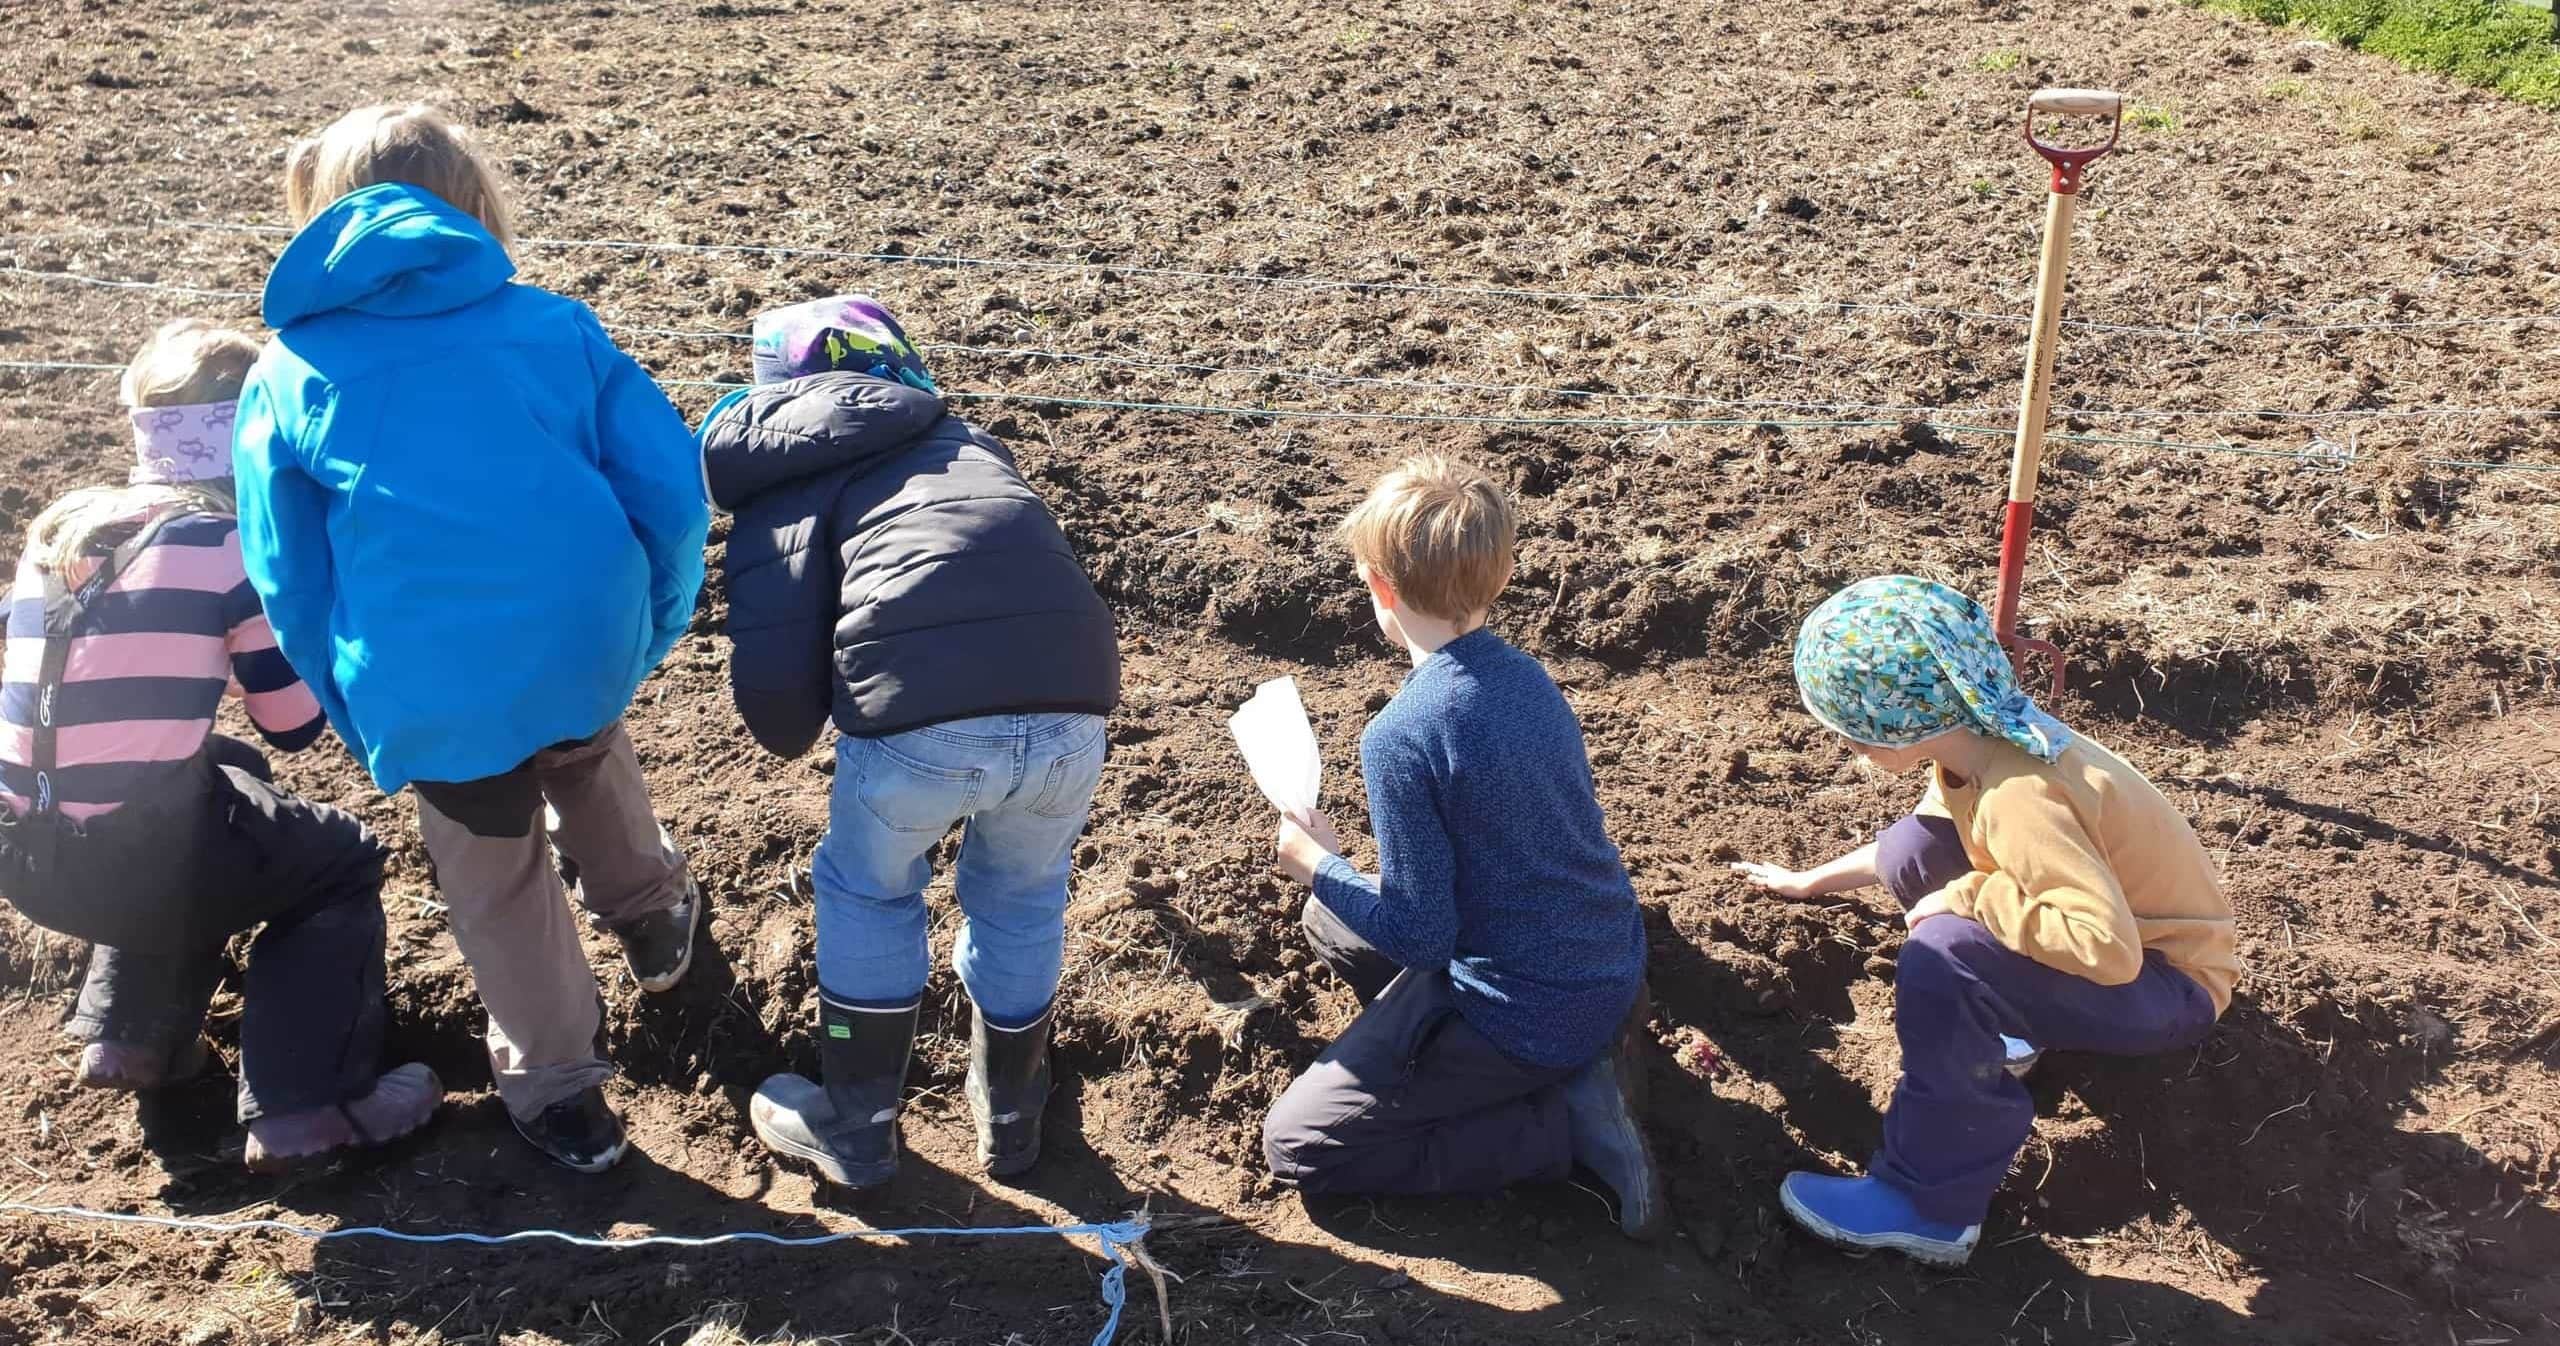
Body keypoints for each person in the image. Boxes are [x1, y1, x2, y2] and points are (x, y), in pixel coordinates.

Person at [230, 104, 712, 1174]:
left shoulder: (288, 372)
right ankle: (651, 911)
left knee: (496, 872)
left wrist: (354, 703)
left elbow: (287, 575)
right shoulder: (552, 324)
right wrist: (650, 618)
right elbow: (673, 492)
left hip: (427, 681)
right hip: (582, 633)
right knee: (585, 742)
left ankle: (560, 1090)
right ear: (473, 201)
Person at [699, 295, 1119, 1188]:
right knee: (1022, 893)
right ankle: (1012, 1118)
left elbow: (774, 674)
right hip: (1074, 705)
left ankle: (857, 1127)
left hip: (918, 725)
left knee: (868, 888)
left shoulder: (790, 479)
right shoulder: (970, 443)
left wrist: (794, 728)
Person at [0, 319, 441, 1170]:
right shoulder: (222, 542)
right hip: (138, 856)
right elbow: (295, 723)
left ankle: (132, 1038)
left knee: (227, 779)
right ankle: (305, 1109)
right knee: (338, 858)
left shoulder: (58, 533)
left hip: (26, 854)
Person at [1732, 574, 2240, 1266]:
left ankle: (1927, 1207)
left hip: (2167, 989)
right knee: (1912, 851)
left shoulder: (2022, 797)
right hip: (2136, 960)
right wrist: (1810, 882)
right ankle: (2010, 1028)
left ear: (1893, 728)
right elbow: (1917, 844)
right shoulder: (1983, 739)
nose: (1850, 748)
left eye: (1852, 733)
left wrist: (1971, 901)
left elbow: (2106, 948)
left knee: (1942, 953)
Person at [1260, 456, 1664, 1238]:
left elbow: (1421, 934)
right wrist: (1337, 884)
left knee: (1301, 1146)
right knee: (1327, 920)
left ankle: (1563, 1126)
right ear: (1500, 573)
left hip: (1526, 1012)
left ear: (1379, 586)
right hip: (1607, 961)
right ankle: (1584, 1056)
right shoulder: (1528, 678)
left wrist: (1317, 863)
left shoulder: (1401, 736)